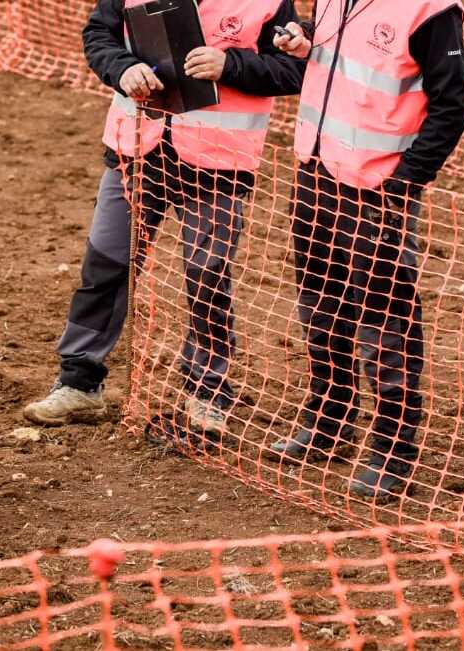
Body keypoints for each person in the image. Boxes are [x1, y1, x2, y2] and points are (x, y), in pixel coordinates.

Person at [22, 0, 305, 436]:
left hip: (218, 160)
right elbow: (99, 36)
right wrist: (122, 68)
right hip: (136, 148)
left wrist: (230, 65)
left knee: (207, 276)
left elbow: (294, 69)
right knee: (105, 264)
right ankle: (79, 383)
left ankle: (207, 393)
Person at [267, 0, 464, 501]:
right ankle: (328, 423)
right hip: (316, 175)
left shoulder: (431, 9)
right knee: (320, 305)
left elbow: (452, 104)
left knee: (386, 319)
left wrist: (405, 183)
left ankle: (393, 450)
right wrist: (304, 40)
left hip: (378, 191)